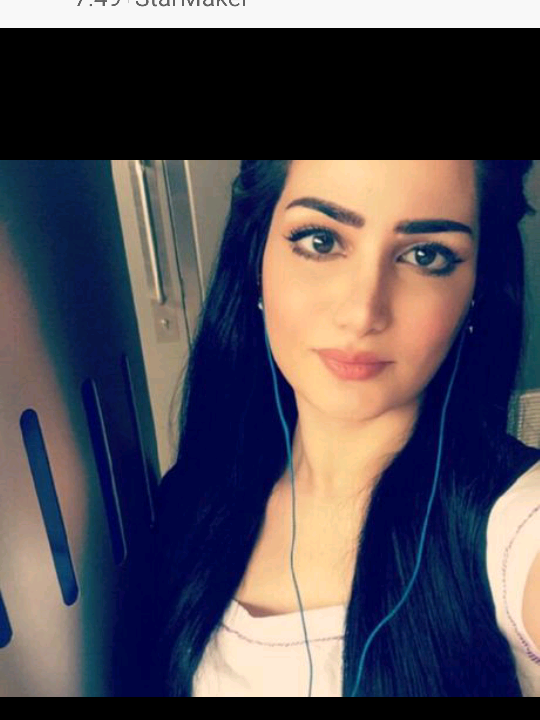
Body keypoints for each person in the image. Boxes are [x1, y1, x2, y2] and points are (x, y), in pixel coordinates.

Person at [150, 160, 540, 697]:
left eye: (425, 255)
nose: (362, 312)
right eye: (321, 240)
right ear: (255, 258)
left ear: (477, 288)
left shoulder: (517, 531)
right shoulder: (190, 501)